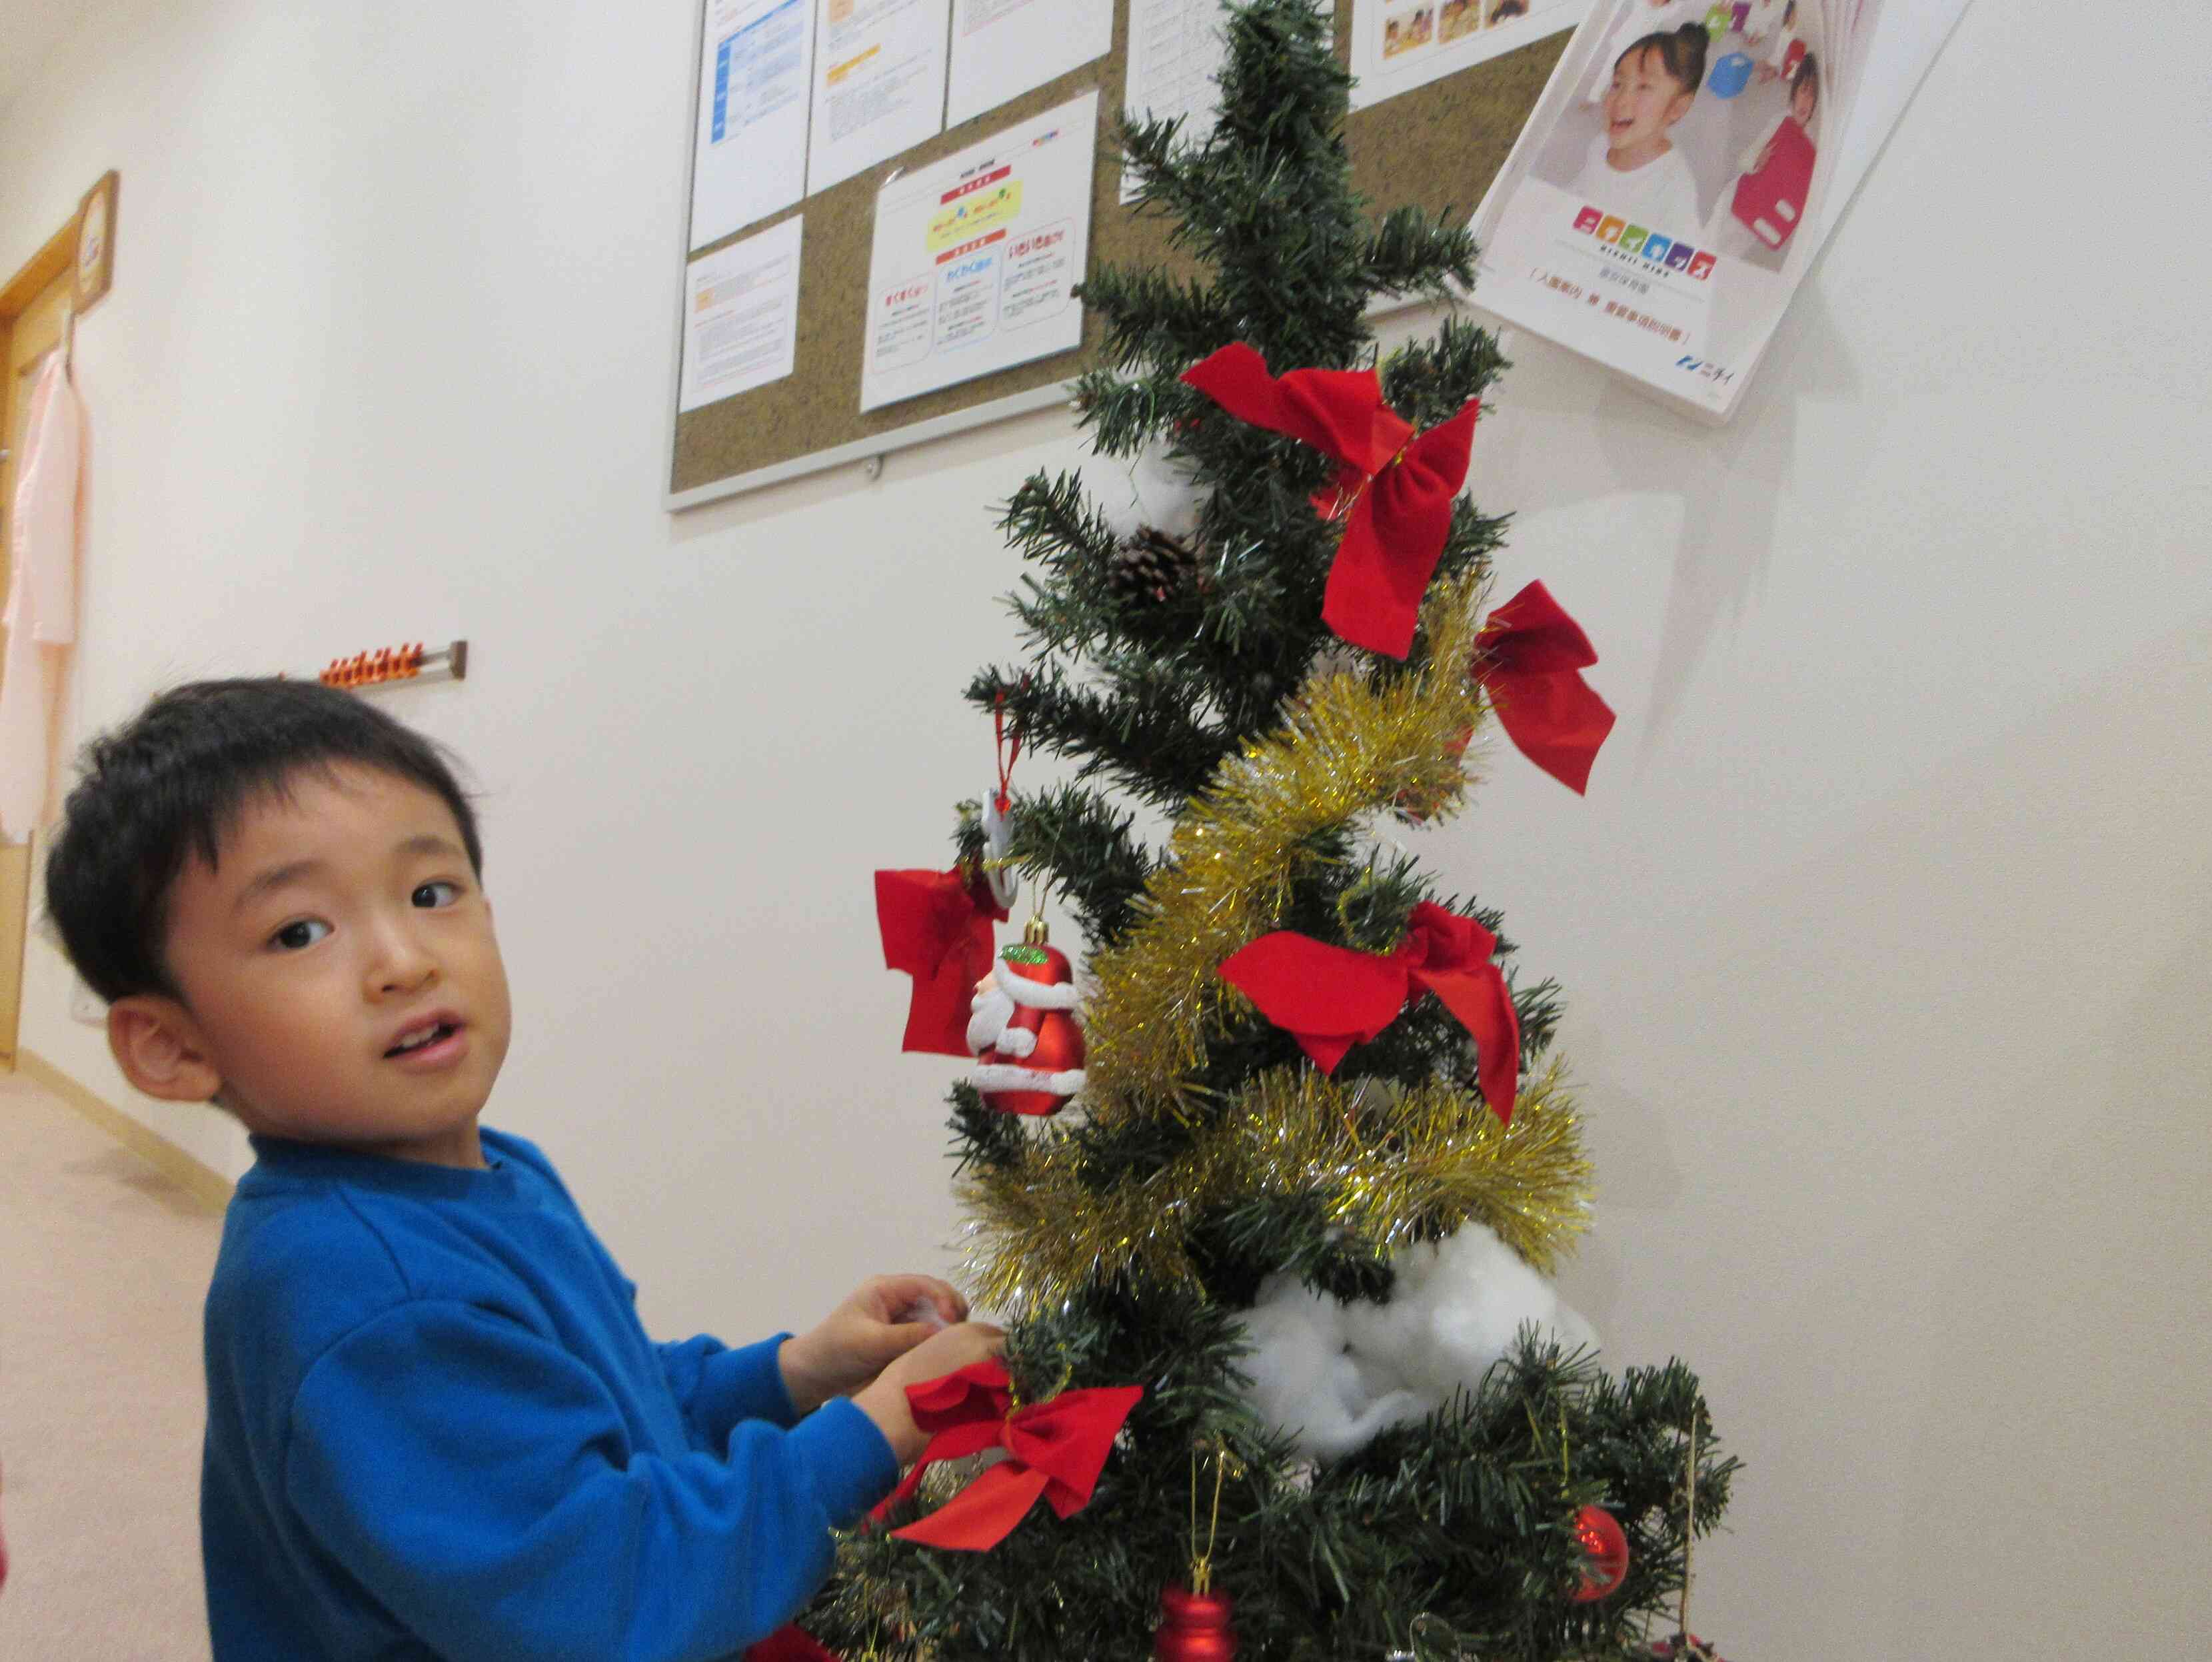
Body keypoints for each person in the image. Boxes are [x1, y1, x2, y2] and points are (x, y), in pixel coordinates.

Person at [41, 678, 1005, 1659]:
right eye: (300, 930)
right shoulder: (367, 1297)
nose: (404, 959)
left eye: (430, 892)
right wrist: (874, 1432)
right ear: (172, 1045)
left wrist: (791, 1371)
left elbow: (601, 1401)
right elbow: (608, 1589)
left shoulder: (495, 1171)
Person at [1568, 24, 1710, 235]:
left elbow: (1686, 248)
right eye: (1617, 84)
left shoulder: (1674, 185)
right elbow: (1578, 191)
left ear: (1677, 107)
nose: (1621, 101)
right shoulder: (1600, 145)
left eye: (1643, 88)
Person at [1705, 50, 1819, 259]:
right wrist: (1758, 161)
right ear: (1794, 92)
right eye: (1803, 90)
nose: (1806, 99)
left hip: (1758, 216)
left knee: (1726, 260)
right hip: (1737, 199)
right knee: (1706, 246)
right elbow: (1744, 161)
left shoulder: (1811, 142)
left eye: (1812, 94)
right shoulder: (1780, 121)